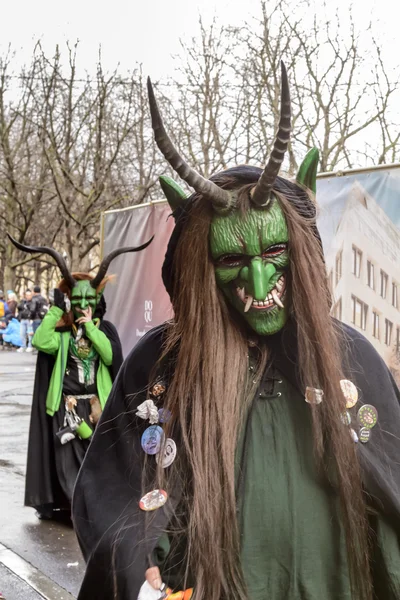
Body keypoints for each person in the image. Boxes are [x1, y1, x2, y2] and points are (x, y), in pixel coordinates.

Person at [73, 65, 400, 600]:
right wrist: (140, 570)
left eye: (275, 254)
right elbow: (116, 499)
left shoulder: (351, 358)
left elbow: (391, 483)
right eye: (232, 260)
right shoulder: (161, 363)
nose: (258, 282)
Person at [8, 235, 153, 522]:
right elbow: (40, 341)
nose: (83, 304)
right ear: (70, 300)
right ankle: (78, 510)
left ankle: (93, 505)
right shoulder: (62, 333)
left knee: (95, 458)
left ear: (97, 299)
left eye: (89, 299)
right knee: (67, 462)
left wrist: (91, 329)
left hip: (98, 408)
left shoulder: (105, 330)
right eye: (77, 299)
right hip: (68, 407)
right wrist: (57, 309)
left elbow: (111, 357)